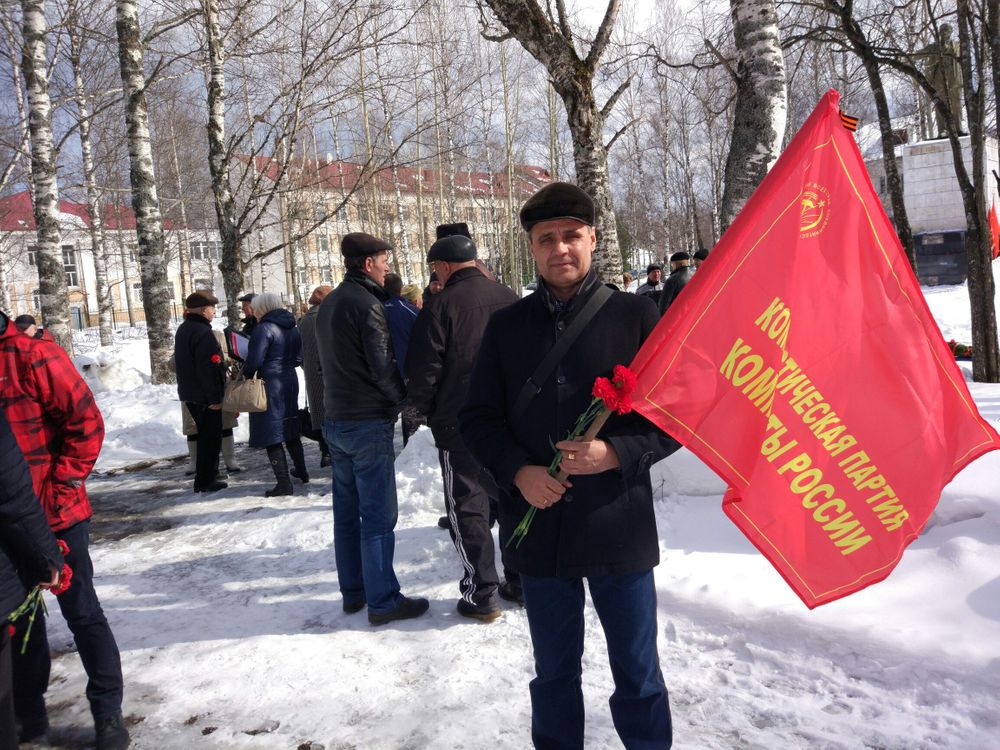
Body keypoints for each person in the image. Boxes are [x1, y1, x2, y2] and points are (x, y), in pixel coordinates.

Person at [459, 182, 678, 749]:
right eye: (546, 238)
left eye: (571, 236)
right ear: (532, 248)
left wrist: (615, 453)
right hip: (541, 533)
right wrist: (519, 472)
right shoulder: (507, 326)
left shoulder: (636, 314)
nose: (559, 248)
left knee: (639, 675)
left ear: (593, 239)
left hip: (617, 526)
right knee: (554, 675)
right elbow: (476, 418)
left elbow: (673, 418)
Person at [0, 309, 131, 750]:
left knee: (82, 611)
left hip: (56, 513)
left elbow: (87, 424)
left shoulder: (33, 355)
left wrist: (61, 486)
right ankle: (29, 716)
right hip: (7, 523)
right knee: (18, 618)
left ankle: (107, 713)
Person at [405, 232, 520, 622]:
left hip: (460, 423)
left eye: (435, 268)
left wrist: (425, 411)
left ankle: (481, 592)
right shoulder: (508, 296)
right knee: (511, 497)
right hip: (509, 421)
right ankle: (519, 580)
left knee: (467, 505)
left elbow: (424, 371)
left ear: (443, 266)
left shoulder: (440, 306)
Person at [316, 232, 428, 626]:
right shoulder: (368, 305)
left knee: (347, 513)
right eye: (383, 261)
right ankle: (383, 600)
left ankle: (354, 592)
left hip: (336, 420)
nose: (386, 268)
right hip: (366, 422)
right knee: (378, 516)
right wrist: (406, 400)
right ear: (367, 264)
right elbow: (382, 366)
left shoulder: (331, 303)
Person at [0, 408, 64, 750]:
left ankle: (31, 715)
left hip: (47, 505)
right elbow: (10, 494)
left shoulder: (40, 366)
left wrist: (63, 482)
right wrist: (44, 558)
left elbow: (84, 423)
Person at [243, 292, 307, 497]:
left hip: (269, 383)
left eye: (255, 308)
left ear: (262, 308)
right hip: (289, 379)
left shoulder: (263, 328)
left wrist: (246, 371)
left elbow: (254, 361)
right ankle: (302, 471)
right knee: (289, 426)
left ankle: (283, 483)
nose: (253, 312)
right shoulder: (292, 327)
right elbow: (299, 357)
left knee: (271, 431)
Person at [173, 292, 228, 494]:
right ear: (204, 310)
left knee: (205, 436)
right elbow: (208, 368)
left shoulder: (184, 328)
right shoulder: (203, 332)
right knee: (210, 439)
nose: (214, 311)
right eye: (212, 308)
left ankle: (205, 477)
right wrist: (215, 397)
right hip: (205, 395)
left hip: (190, 392)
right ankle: (206, 480)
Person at [383, 273, 422, 447]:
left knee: (383, 421)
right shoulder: (410, 311)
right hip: (409, 373)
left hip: (382, 375)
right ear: (400, 289)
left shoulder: (375, 309)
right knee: (413, 420)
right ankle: (413, 451)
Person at [298, 285, 334, 468]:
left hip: (311, 372)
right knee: (332, 411)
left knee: (319, 411)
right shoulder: (328, 317)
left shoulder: (303, 321)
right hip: (330, 370)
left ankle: (325, 451)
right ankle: (332, 450)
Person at [658, 251, 695, 316]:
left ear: (676, 264)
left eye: (672, 264)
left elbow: (663, 305)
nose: (672, 267)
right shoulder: (696, 275)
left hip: (678, 317)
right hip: (694, 315)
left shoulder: (672, 280)